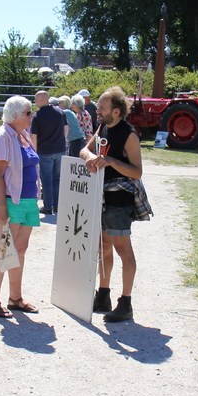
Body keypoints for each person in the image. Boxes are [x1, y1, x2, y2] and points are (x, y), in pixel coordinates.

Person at [81, 86, 147, 323]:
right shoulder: (103, 127)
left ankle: (126, 303)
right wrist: (91, 158)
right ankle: (103, 295)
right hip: (101, 197)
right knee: (103, 246)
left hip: (120, 200)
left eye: (102, 107)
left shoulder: (130, 135)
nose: (97, 110)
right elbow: (84, 150)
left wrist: (110, 161)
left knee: (122, 249)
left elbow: (137, 172)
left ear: (116, 111)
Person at [0, 95, 41, 318]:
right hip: (10, 200)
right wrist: (2, 208)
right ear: (15, 115)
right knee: (5, 250)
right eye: (28, 113)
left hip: (27, 200)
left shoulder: (23, 134)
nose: (31, 116)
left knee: (20, 250)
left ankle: (15, 298)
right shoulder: (2, 136)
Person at [30, 89, 67, 215]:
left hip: (45, 151)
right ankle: (57, 205)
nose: (35, 102)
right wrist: (62, 141)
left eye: (36, 99)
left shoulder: (37, 116)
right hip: (60, 149)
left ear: (41, 100)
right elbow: (66, 128)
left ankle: (47, 206)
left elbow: (33, 136)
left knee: (46, 180)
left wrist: (34, 151)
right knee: (57, 179)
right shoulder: (60, 112)